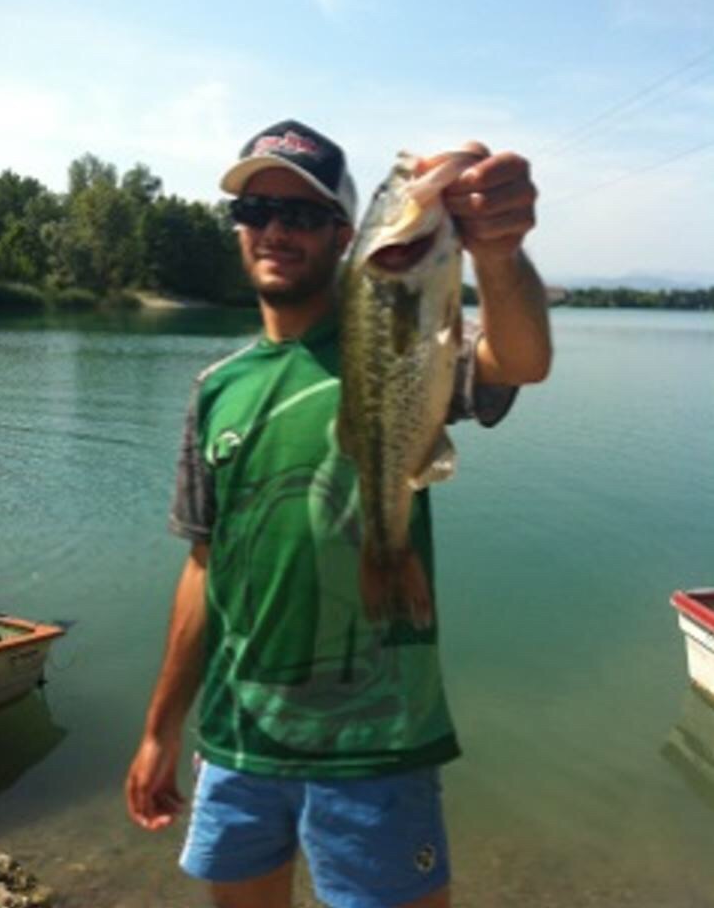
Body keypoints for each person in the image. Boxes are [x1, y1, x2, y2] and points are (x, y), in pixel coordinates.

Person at [125, 119, 552, 908]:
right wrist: (159, 729)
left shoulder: (394, 326)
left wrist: (497, 253)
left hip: (376, 741)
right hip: (239, 739)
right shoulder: (216, 388)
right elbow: (202, 566)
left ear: (344, 235)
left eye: (301, 214)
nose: (274, 230)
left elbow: (519, 360)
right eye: (254, 211)